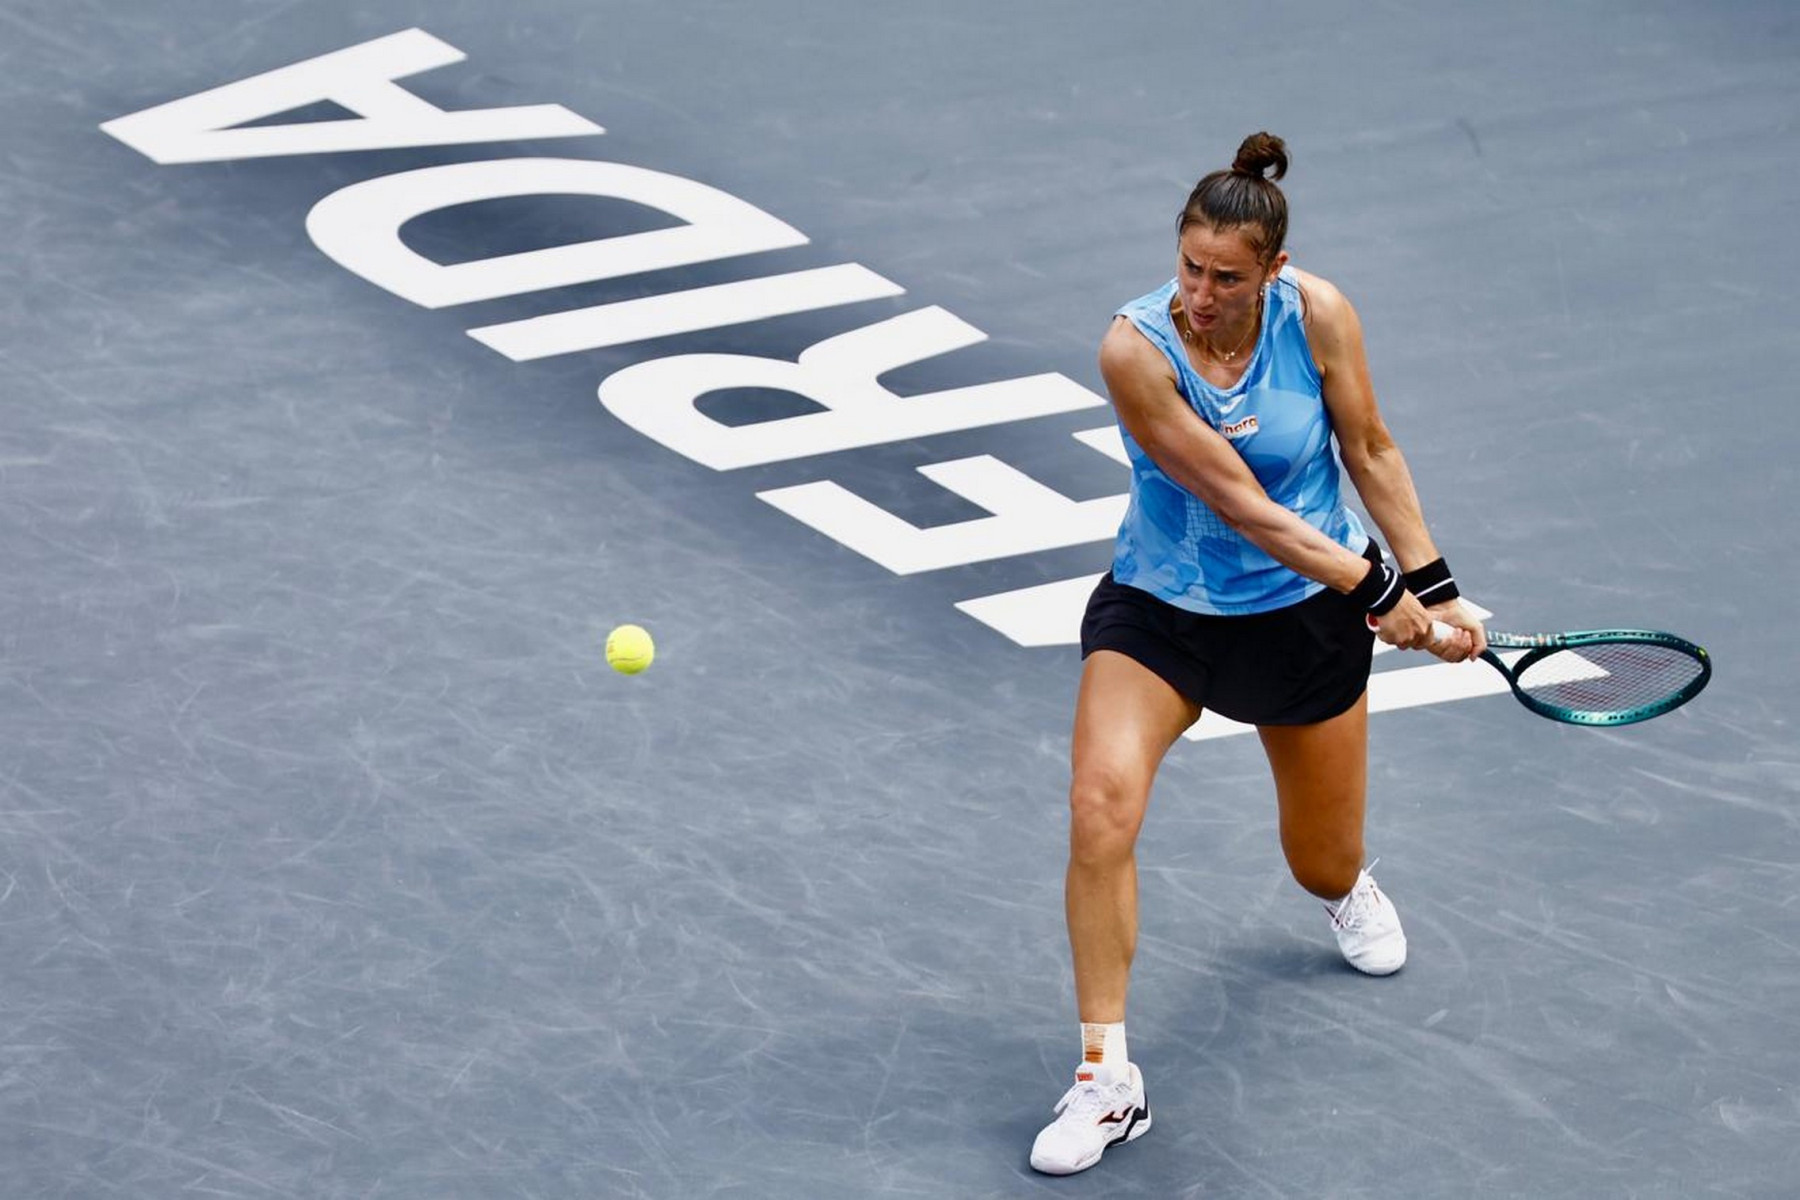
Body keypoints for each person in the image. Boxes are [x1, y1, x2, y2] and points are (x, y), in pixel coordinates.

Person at [1028, 132, 1487, 1177]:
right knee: (1099, 805)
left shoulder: (1318, 315)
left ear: (1274, 270)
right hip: (1162, 612)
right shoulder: (1136, 350)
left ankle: (1344, 889)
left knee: (1318, 857)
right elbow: (1240, 503)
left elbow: (1368, 447)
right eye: (1189, 267)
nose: (1200, 294)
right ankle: (1106, 1079)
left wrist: (1436, 585)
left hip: (1300, 622)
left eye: (1227, 278)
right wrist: (1381, 592)